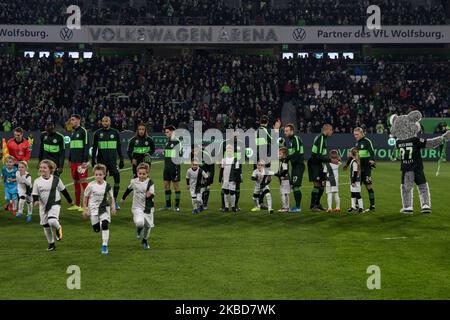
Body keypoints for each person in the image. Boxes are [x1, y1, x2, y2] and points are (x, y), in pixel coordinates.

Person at [32, 160, 74, 251]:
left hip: (55, 203)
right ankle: (51, 244)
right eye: (41, 167)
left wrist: (70, 201)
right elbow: (35, 194)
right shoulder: (37, 181)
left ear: (50, 169)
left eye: (44, 167)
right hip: (43, 206)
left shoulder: (56, 179)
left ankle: (58, 228)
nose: (42, 169)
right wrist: (35, 201)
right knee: (46, 226)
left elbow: (64, 190)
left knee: (52, 221)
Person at [92, 116, 124, 210]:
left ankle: (115, 200)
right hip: (102, 162)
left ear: (110, 122)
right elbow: (94, 147)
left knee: (117, 179)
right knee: (102, 181)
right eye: (103, 121)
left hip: (113, 161)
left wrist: (121, 159)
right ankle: (103, 200)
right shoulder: (97, 133)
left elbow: (118, 147)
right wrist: (93, 159)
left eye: (106, 121)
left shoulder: (115, 132)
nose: (104, 122)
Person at [83, 164, 116, 255]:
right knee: (97, 229)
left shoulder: (107, 186)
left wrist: (113, 206)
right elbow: (85, 197)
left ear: (104, 175)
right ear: (94, 175)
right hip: (93, 208)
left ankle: (104, 245)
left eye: (100, 174)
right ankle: (99, 224)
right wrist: (85, 209)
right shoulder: (90, 185)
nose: (98, 176)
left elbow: (112, 197)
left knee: (105, 224)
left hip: (104, 207)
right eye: (96, 174)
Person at [121, 163, 155, 250]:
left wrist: (149, 195)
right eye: (140, 173)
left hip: (148, 207)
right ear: (137, 173)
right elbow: (129, 189)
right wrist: (123, 198)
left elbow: (152, 195)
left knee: (148, 226)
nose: (142, 175)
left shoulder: (150, 183)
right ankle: (139, 229)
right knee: (140, 223)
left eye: (144, 174)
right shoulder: (134, 181)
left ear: (147, 174)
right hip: (137, 207)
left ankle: (145, 240)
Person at [345, 127, 376, 211]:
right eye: (354, 134)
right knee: (356, 187)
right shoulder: (357, 144)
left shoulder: (367, 141)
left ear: (362, 133)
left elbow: (372, 151)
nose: (355, 136)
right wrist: (347, 164)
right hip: (358, 169)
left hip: (366, 168)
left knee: (368, 186)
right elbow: (355, 156)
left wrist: (372, 160)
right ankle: (356, 205)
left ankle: (372, 206)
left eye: (357, 134)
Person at [308, 124, 337, 212]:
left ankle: (317, 204)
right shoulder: (321, 139)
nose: (332, 131)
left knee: (321, 185)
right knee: (317, 184)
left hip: (318, 163)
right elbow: (318, 155)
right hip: (314, 163)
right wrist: (331, 160)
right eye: (331, 130)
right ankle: (313, 206)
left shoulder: (321, 138)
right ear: (326, 130)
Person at [68, 114, 90, 212]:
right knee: (76, 182)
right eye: (71, 120)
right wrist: (69, 159)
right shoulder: (72, 132)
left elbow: (86, 146)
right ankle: (77, 205)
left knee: (83, 181)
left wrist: (85, 161)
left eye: (73, 120)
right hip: (73, 162)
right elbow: (71, 148)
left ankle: (88, 205)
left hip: (81, 162)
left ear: (78, 120)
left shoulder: (83, 131)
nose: (71, 122)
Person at [283, 123, 305, 213]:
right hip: (295, 166)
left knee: (296, 187)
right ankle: (297, 206)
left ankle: (298, 207)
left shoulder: (295, 139)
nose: (285, 132)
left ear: (292, 131)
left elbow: (298, 153)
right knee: (294, 186)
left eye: (287, 131)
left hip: (299, 166)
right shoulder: (290, 140)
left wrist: (287, 158)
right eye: (284, 131)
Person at [220, 132, 245, 210]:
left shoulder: (241, 144)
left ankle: (235, 205)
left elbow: (243, 156)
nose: (234, 137)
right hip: (226, 167)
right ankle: (224, 205)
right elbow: (219, 155)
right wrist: (221, 165)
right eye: (233, 135)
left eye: (236, 135)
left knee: (237, 186)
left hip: (237, 167)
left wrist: (240, 170)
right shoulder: (224, 143)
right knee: (224, 187)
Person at [162, 125, 183, 212]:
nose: (166, 133)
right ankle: (168, 206)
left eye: (167, 132)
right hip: (166, 168)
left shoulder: (177, 142)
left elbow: (180, 155)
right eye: (165, 132)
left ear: (172, 132)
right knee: (166, 186)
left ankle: (177, 206)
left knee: (176, 187)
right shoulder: (167, 142)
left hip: (174, 168)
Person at [219, 144, 241, 212]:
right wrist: (220, 178)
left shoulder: (235, 160)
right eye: (228, 149)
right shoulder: (223, 160)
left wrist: (237, 180)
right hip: (225, 179)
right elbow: (221, 170)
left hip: (232, 179)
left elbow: (237, 171)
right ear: (226, 151)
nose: (229, 150)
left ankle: (233, 206)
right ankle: (226, 207)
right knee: (226, 192)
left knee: (232, 193)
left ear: (232, 151)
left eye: (230, 149)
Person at [192, 144, 214, 209]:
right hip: (200, 173)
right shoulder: (194, 155)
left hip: (207, 172)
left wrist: (210, 179)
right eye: (192, 151)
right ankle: (201, 203)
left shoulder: (205, 154)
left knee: (206, 187)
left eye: (194, 151)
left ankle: (205, 204)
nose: (193, 152)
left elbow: (211, 166)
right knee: (200, 188)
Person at [347, 148, 364, 213]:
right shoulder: (353, 160)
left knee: (357, 194)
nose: (348, 153)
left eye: (349, 152)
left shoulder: (354, 162)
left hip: (355, 181)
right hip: (353, 180)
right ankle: (353, 207)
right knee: (353, 194)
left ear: (352, 154)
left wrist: (353, 182)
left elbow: (355, 172)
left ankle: (361, 208)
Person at [275, 147, 290, 212]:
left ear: (284, 154)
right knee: (286, 193)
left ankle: (284, 208)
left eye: (280, 154)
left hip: (284, 179)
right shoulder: (282, 160)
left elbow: (285, 170)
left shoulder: (284, 161)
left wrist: (279, 175)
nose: (278, 155)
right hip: (285, 178)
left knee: (283, 193)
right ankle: (287, 207)